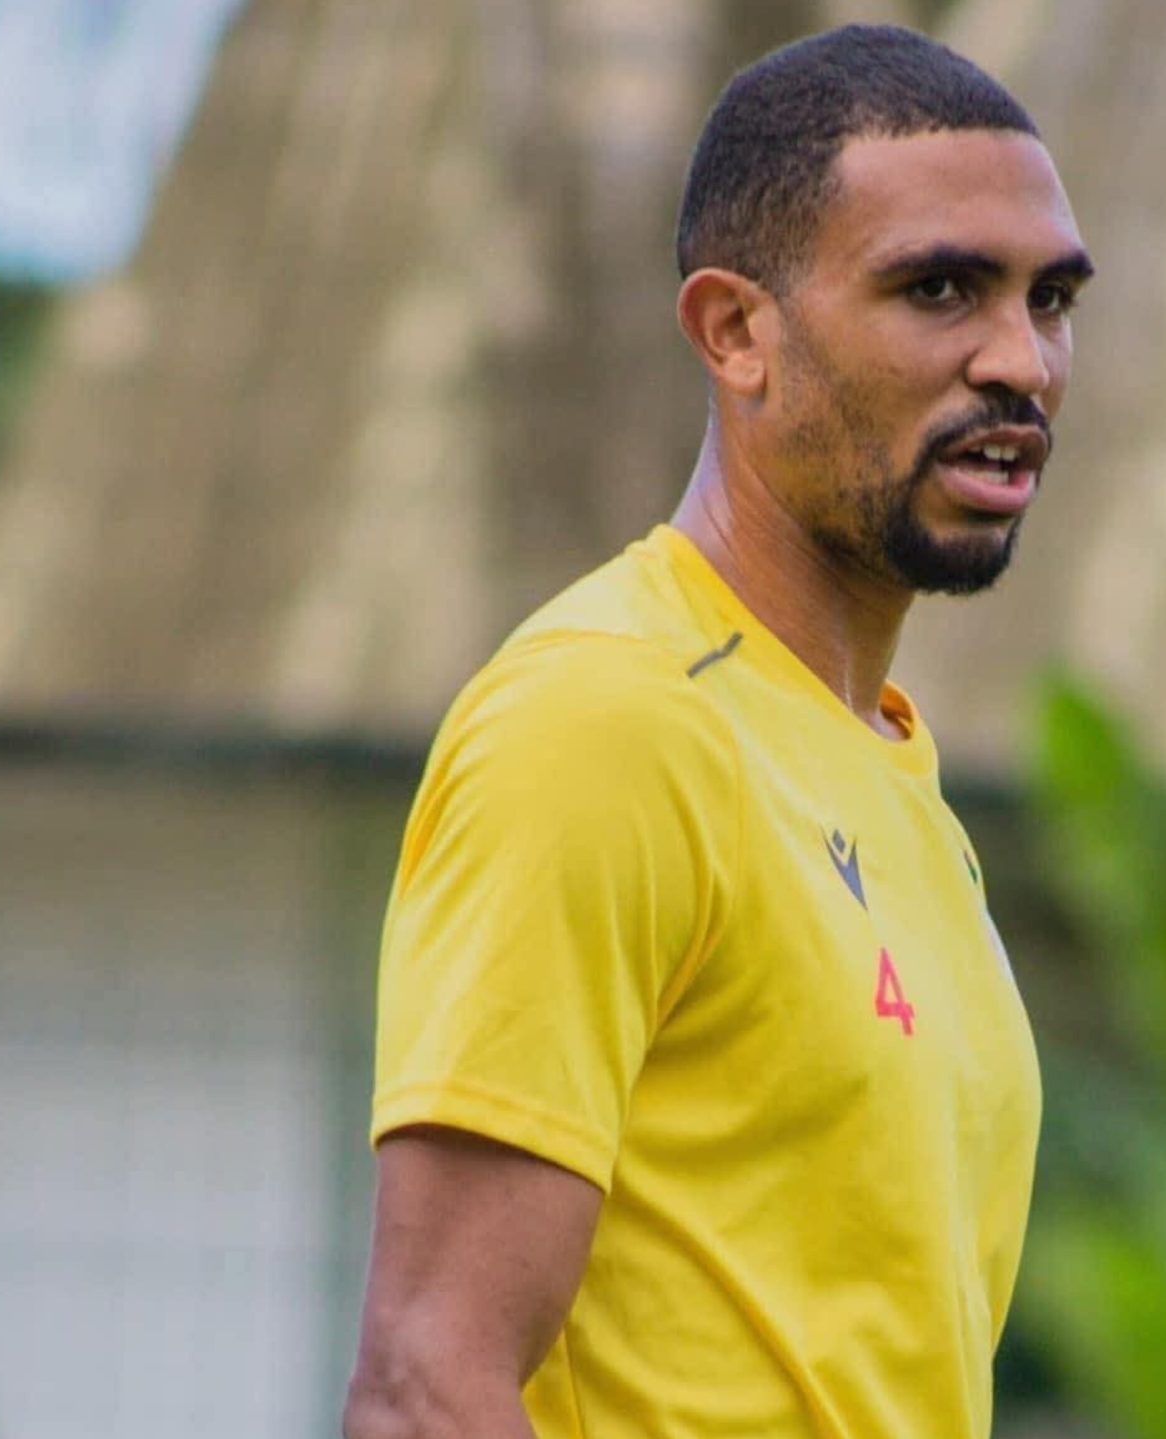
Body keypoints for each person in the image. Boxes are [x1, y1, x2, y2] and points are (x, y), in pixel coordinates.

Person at [343, 22, 1091, 1439]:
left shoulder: (900, 782)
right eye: (939, 289)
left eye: (1049, 299)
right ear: (737, 332)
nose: (1022, 362)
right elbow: (426, 1384)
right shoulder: (604, 720)